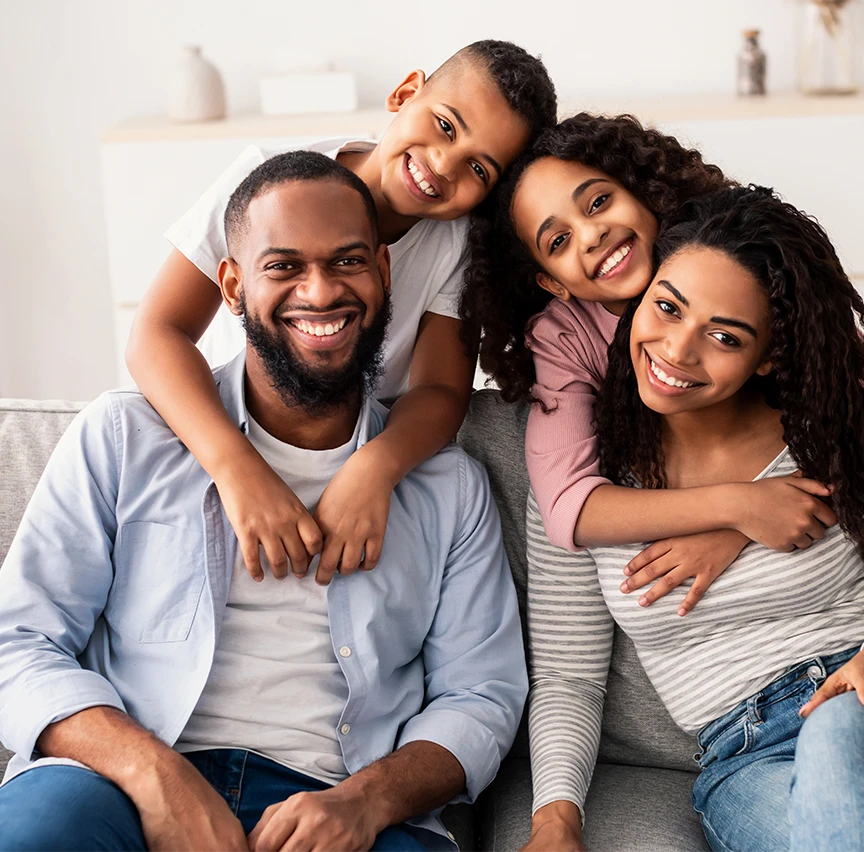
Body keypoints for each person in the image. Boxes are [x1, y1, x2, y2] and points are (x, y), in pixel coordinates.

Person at [0, 152, 526, 852]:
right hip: (120, 781)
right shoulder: (123, 436)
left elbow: (482, 695)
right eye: (283, 266)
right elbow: (17, 642)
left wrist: (366, 802)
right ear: (231, 285)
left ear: (383, 271)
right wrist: (155, 776)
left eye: (347, 262)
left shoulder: (448, 487)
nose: (320, 291)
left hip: (341, 800)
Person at [521, 185, 864, 852]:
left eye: (724, 336)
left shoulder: (837, 440)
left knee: (847, 727)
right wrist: (555, 818)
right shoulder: (583, 485)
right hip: (751, 760)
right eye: (666, 309)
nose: (676, 350)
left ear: (770, 356)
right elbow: (567, 677)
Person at [461, 113, 864, 615]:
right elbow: (567, 509)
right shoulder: (566, 335)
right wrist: (739, 507)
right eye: (558, 241)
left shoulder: (735, 257)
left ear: (646, 193)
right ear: (553, 282)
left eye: (598, 202)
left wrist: (734, 536)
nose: (591, 234)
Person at [126, 40, 556, 586]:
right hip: (224, 437)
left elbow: (440, 392)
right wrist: (237, 469)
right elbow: (156, 333)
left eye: (478, 167)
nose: (443, 165)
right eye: (446, 126)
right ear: (405, 94)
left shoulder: (457, 245)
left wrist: (373, 471)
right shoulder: (266, 184)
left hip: (345, 457)